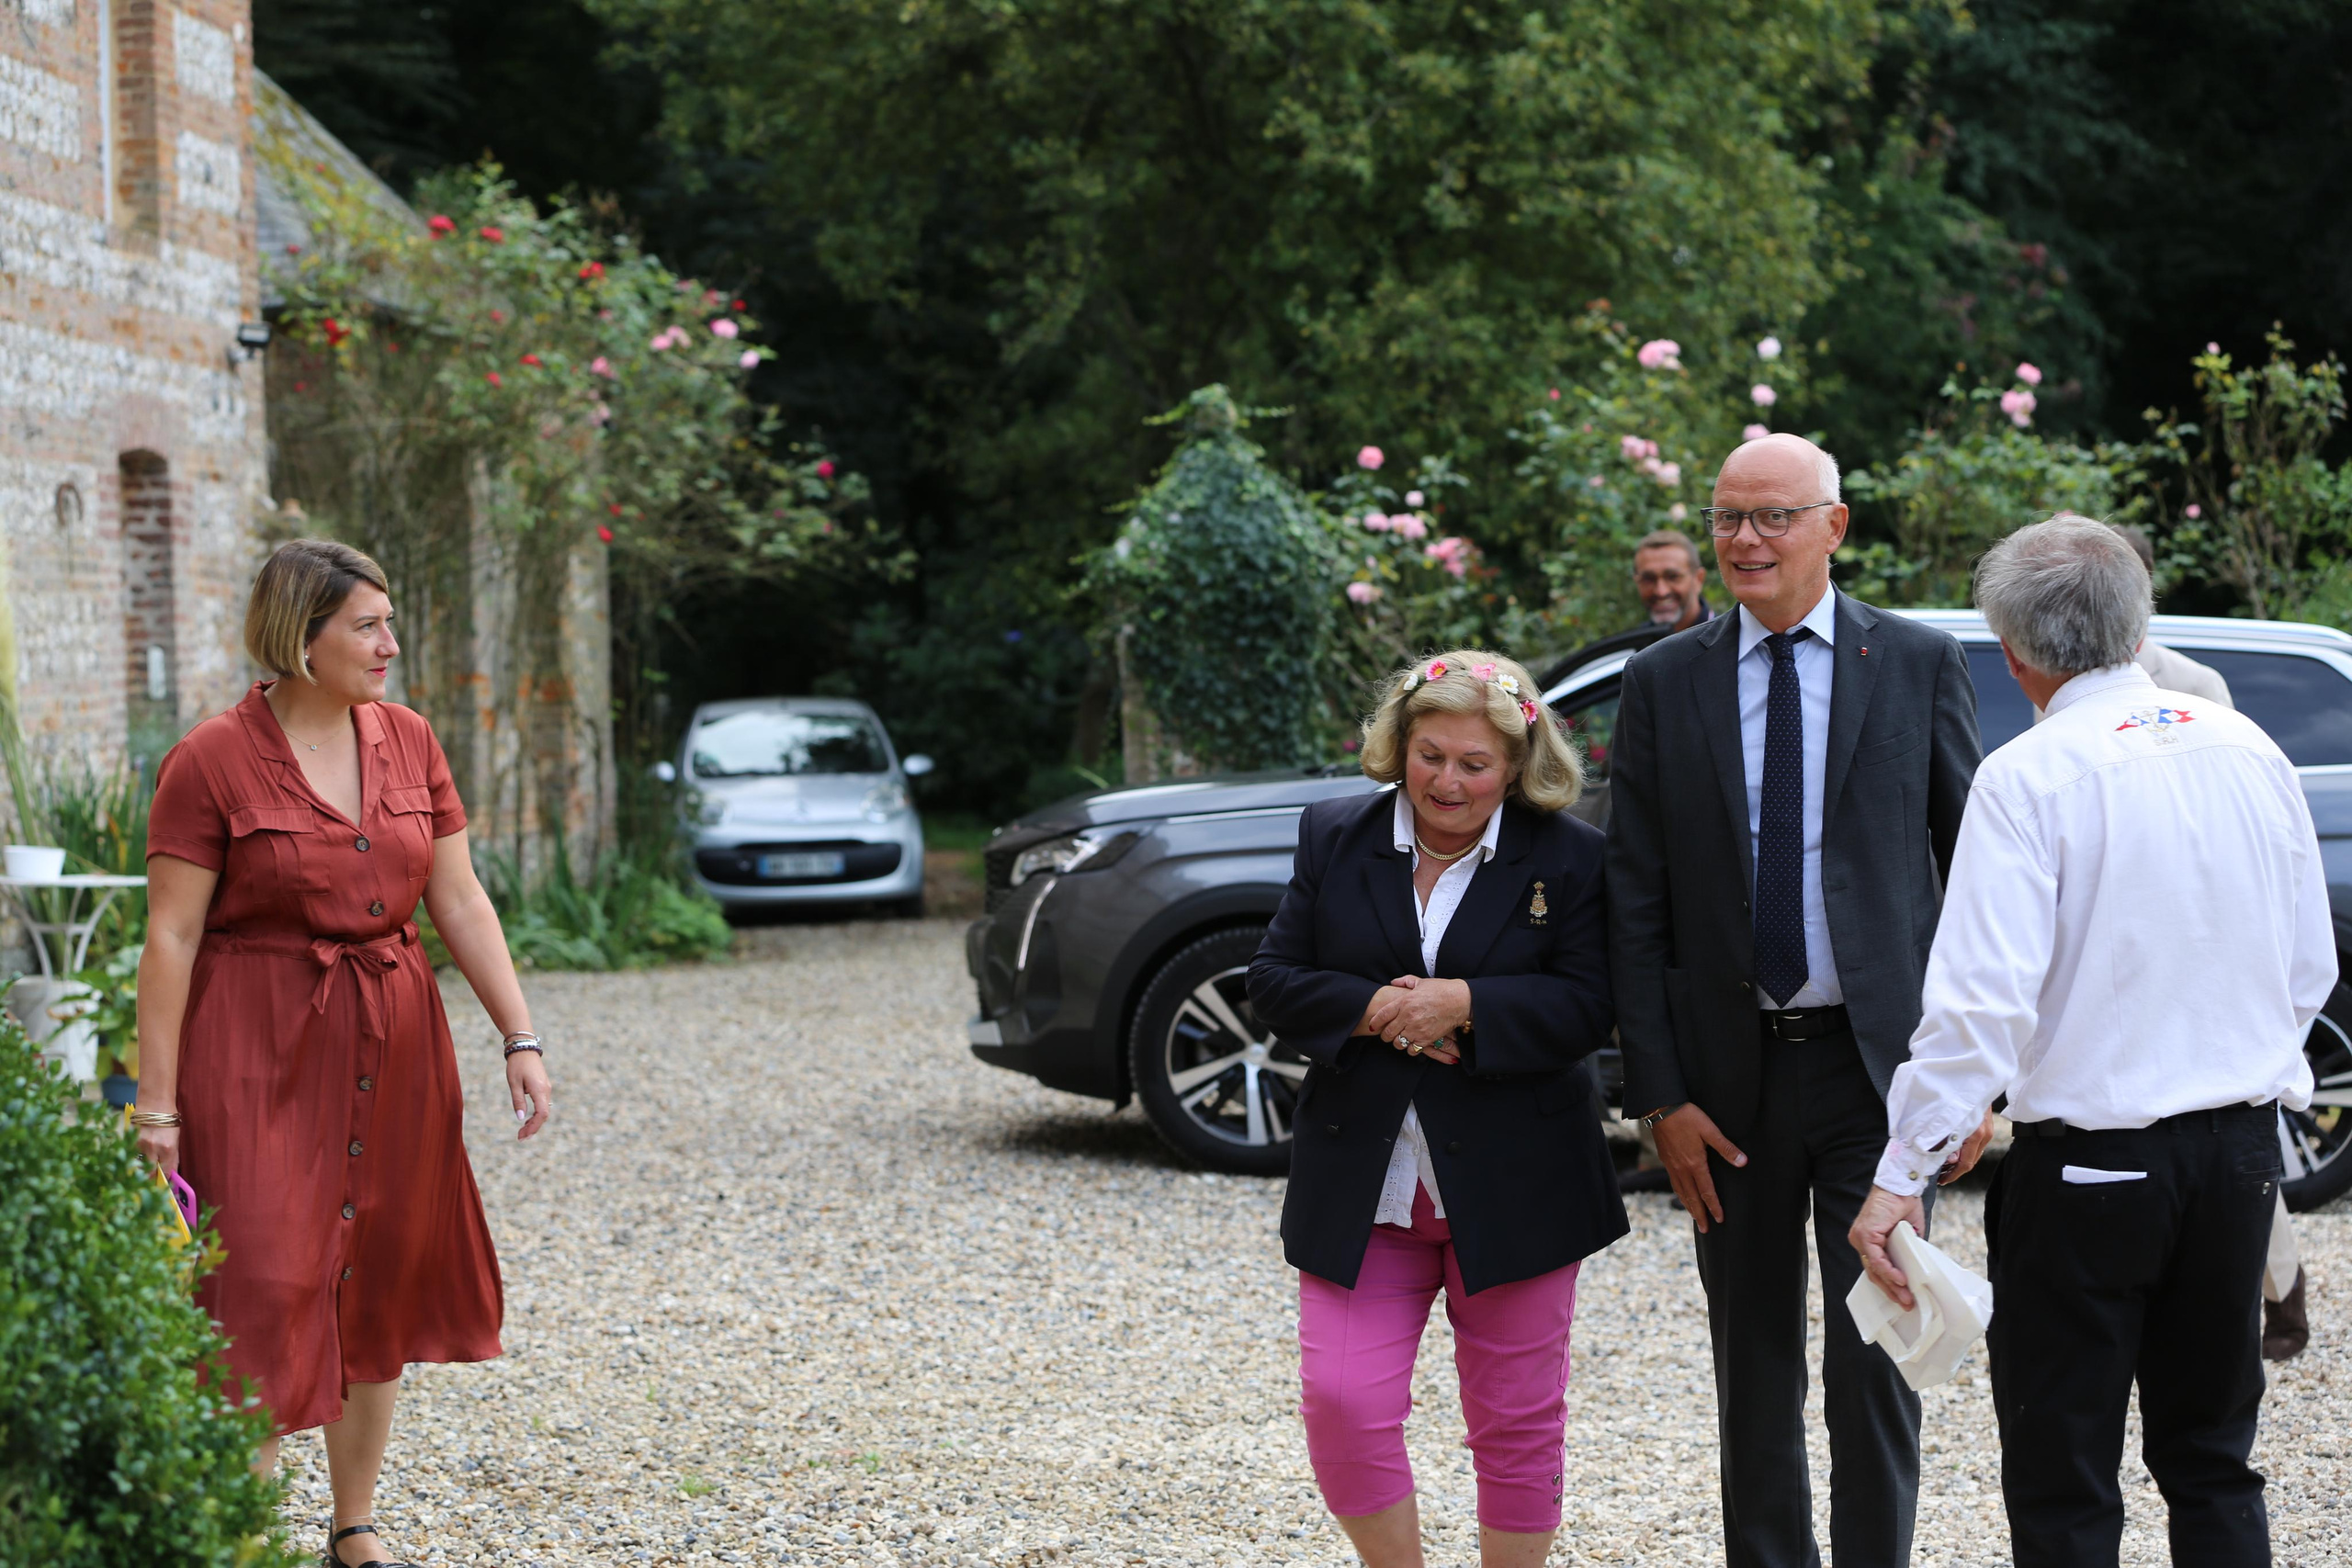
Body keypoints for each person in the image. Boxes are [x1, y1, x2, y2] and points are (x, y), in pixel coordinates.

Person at [1852, 514, 2334, 1568]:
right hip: (2239, 1155)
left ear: (2011, 652)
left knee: (2065, 1473)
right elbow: (2308, 966)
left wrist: (1899, 1175)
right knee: (2214, 1457)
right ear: (2137, 622)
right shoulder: (2250, 748)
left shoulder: (2027, 776)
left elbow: (1980, 1007)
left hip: (2089, 1167)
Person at [130, 540, 552, 1568]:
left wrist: (518, 1032)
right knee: (264, 1283)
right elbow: (171, 938)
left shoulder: (409, 740)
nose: (391, 645)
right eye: (367, 625)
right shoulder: (211, 761)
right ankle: (232, 1541)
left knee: (376, 1284)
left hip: (395, 1040)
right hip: (255, 1048)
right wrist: (156, 1104)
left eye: (389, 620)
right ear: (299, 638)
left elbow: (458, 897)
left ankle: (352, 1526)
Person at [1606, 433, 1984, 1568]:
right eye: (1727, 517)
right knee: (1750, 1360)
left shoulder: (1913, 663)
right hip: (1724, 1086)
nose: (1743, 539)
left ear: (1835, 525)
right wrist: (1657, 1095)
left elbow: (1976, 884)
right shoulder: (1663, 681)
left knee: (1877, 1356)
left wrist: (1968, 1084)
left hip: (1876, 1076)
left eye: (1771, 517)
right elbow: (1634, 898)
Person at [1249, 649, 1623, 1568]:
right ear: (1399, 746)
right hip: (1364, 1179)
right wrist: (1379, 1008)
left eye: (1473, 763)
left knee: (1515, 1419)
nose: (1445, 782)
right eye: (1428, 755)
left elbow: (1593, 1002)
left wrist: (1466, 1005)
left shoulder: (1572, 857)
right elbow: (1272, 980)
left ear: (1516, 766)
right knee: (1341, 1401)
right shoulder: (1333, 833)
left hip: (1522, 1182)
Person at [1633, 528, 1716, 632]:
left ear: (1698, 579)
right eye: (1649, 579)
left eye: (1673, 577)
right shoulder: (1636, 644)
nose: (1661, 592)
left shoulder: (1733, 641)